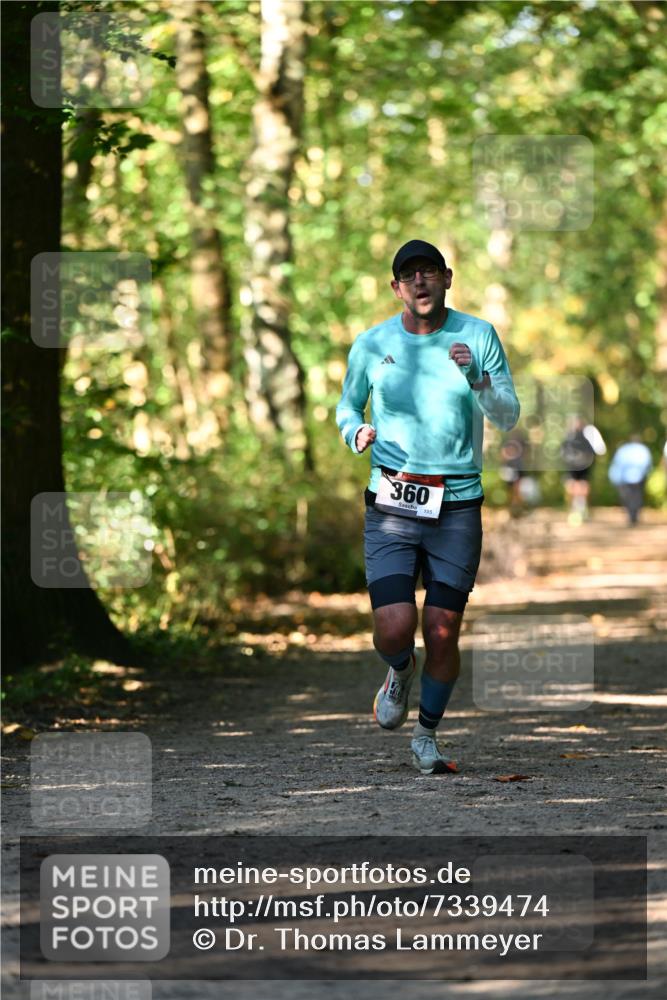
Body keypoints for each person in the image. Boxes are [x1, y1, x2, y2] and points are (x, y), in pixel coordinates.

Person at [335, 239, 520, 775]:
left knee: (442, 631)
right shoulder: (371, 344)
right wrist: (355, 431)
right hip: (392, 499)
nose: (420, 282)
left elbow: (506, 414)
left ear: (447, 278)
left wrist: (477, 379)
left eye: (429, 272)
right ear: (396, 288)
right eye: (408, 275)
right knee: (395, 629)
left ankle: (426, 736)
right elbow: (348, 404)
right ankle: (399, 670)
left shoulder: (477, 335)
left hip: (457, 504)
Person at [560, 417, 606, 524]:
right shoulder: (583, 436)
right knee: (578, 485)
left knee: (577, 485)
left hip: (577, 466)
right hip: (579, 466)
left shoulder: (572, 437)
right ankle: (579, 508)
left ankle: (578, 508)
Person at [608, 434, 653, 525]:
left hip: (625, 479)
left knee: (628, 497)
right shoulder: (643, 449)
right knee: (637, 497)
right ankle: (634, 516)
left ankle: (632, 516)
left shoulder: (623, 449)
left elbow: (617, 465)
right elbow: (648, 464)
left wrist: (615, 478)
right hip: (639, 478)